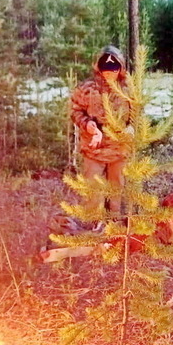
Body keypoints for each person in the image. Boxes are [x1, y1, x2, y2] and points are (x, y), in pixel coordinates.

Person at [70, 46, 133, 222]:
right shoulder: (87, 89)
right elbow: (76, 111)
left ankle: (116, 229)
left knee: (117, 193)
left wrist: (131, 128)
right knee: (93, 193)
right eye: (106, 69)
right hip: (94, 150)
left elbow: (137, 114)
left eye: (114, 69)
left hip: (119, 150)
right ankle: (93, 229)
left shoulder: (127, 89)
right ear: (98, 68)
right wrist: (88, 124)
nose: (109, 73)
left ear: (120, 68)